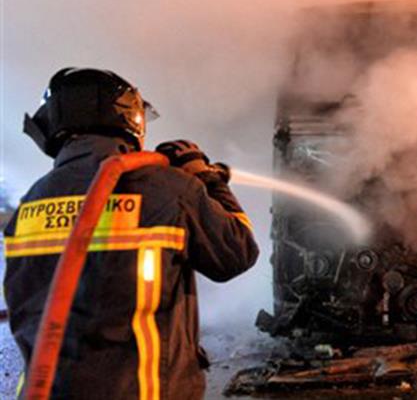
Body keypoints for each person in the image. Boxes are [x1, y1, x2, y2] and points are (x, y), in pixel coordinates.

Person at [3, 68, 259, 399]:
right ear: (129, 117)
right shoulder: (169, 189)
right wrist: (208, 178)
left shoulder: (31, 202)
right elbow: (237, 252)